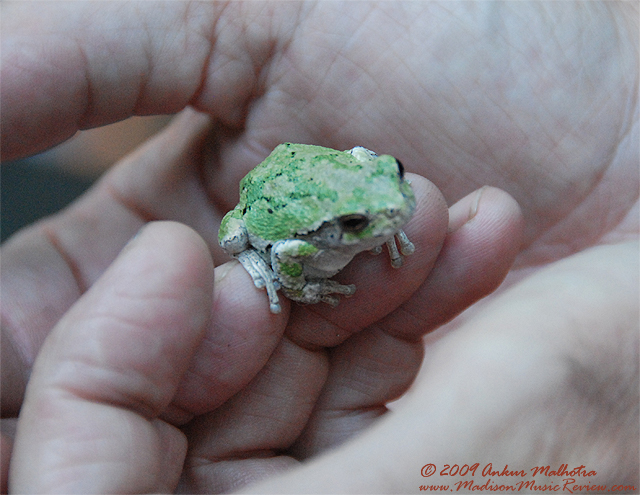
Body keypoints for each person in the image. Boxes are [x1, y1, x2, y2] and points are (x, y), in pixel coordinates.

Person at [2, 2, 637, 493]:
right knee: (243, 253)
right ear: (344, 225)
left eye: (395, 177)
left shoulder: (376, 191)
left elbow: (366, 169)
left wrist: (377, 210)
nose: (399, 204)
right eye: (369, 219)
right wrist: (303, 280)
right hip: (270, 216)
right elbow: (288, 258)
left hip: (327, 183)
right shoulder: (313, 236)